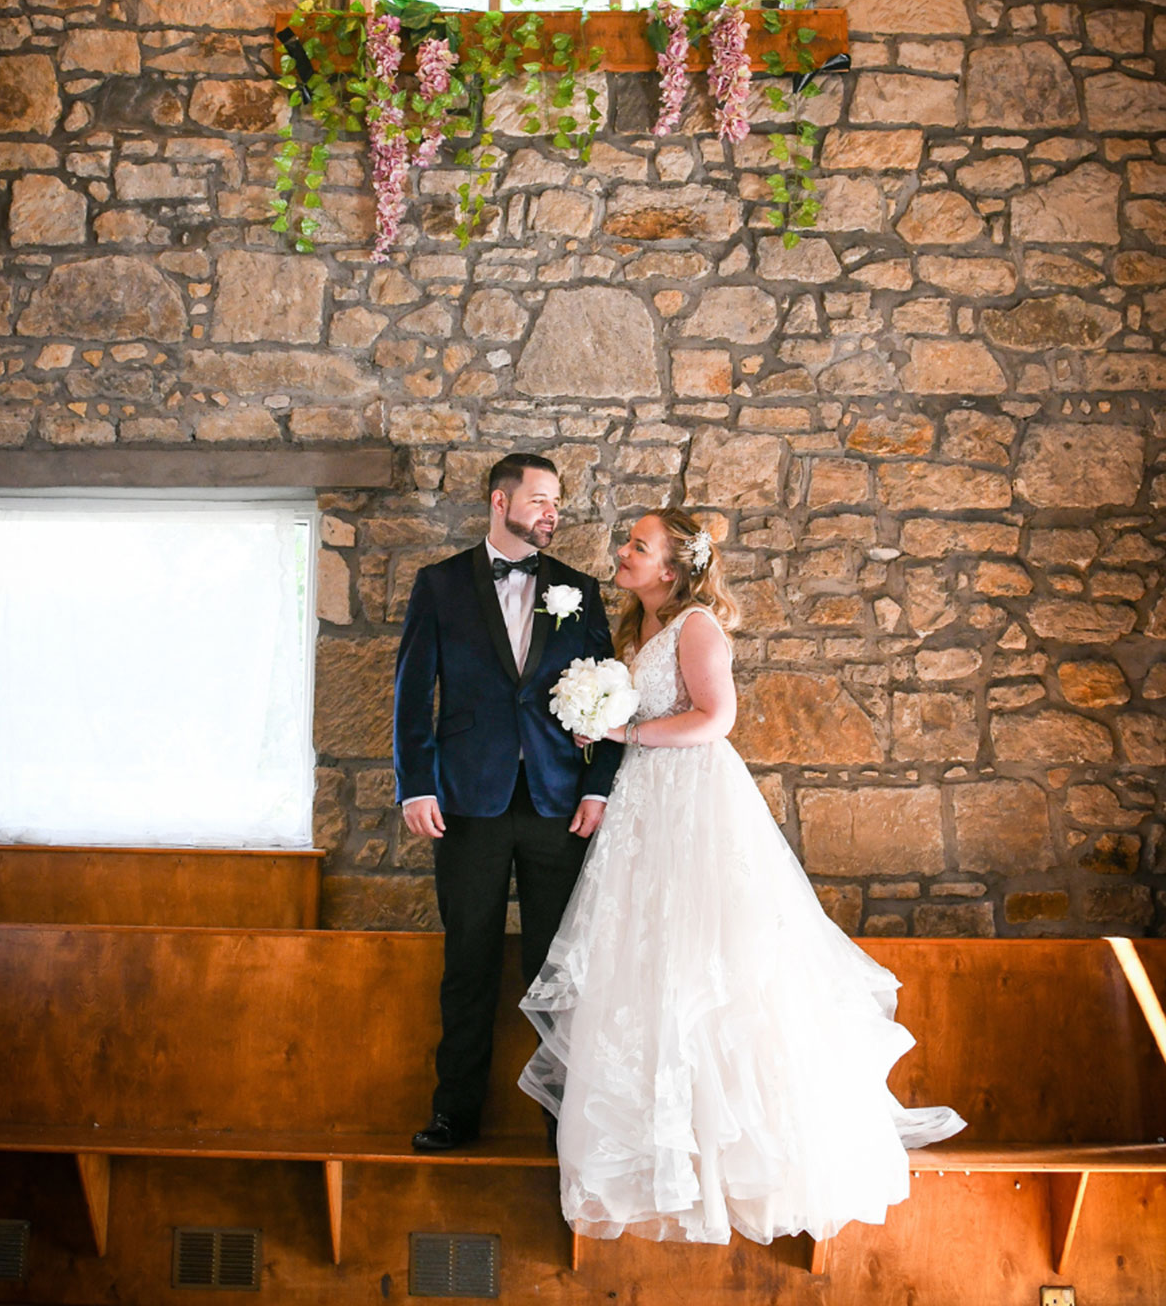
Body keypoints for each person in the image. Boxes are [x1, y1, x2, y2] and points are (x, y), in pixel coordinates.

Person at [519, 507, 965, 1245]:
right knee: (646, 966)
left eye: (639, 545)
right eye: (627, 542)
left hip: (692, 800)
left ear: (672, 568)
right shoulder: (642, 631)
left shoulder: (695, 627)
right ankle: (660, 1152)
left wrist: (622, 731)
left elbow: (715, 717)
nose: (623, 553)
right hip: (645, 807)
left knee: (709, 968)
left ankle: (727, 1158)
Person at [395, 451, 621, 1153]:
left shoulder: (579, 591)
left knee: (556, 972)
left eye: (557, 503)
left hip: (558, 806)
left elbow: (614, 694)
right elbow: (411, 693)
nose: (553, 513)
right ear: (501, 501)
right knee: (469, 961)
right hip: (466, 804)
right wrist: (417, 785)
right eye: (541, 500)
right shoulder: (439, 586)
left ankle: (565, 1126)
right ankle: (454, 1116)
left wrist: (597, 785)